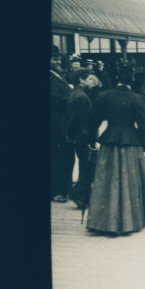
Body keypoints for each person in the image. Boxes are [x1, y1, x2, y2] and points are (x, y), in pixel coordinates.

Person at [85, 65, 145, 235]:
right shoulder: (136, 98)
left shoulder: (105, 96)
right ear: (131, 80)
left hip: (109, 142)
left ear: (117, 79)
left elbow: (92, 119)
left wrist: (91, 140)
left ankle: (103, 221)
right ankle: (131, 220)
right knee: (130, 181)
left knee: (106, 180)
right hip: (131, 144)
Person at [65, 66, 100, 210]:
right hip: (83, 137)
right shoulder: (80, 96)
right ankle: (78, 194)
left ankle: (81, 195)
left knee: (86, 165)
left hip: (81, 136)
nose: (93, 82)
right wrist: (89, 138)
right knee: (88, 166)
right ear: (81, 80)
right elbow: (77, 119)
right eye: (90, 79)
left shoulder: (80, 93)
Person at [50, 47, 74, 203]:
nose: (57, 61)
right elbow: (55, 99)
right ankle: (56, 191)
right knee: (58, 158)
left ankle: (64, 187)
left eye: (58, 58)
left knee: (66, 157)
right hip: (54, 125)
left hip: (63, 124)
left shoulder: (58, 75)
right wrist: (73, 95)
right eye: (54, 58)